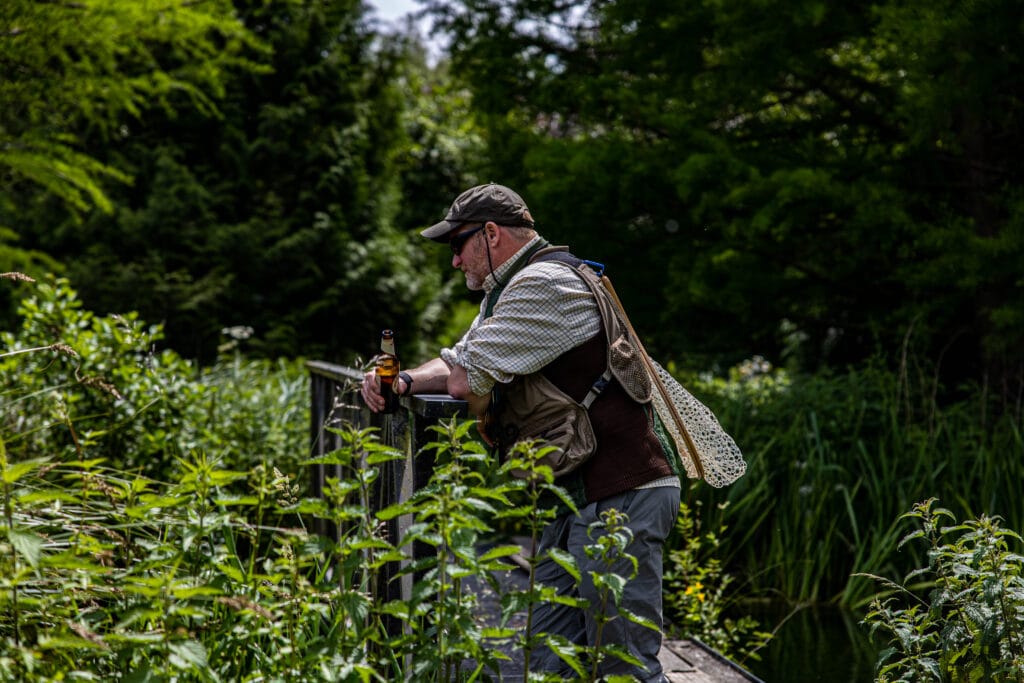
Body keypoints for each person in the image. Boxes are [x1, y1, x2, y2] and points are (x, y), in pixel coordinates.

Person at [360, 183, 680, 682]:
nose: (454, 261)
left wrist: (432, 376)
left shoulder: (543, 285)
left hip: (622, 495)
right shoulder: (510, 293)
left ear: (491, 234)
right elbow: (456, 360)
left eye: (457, 244)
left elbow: (465, 379)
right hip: (576, 497)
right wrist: (399, 380)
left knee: (626, 670)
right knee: (547, 663)